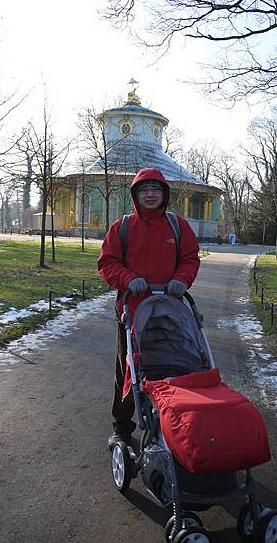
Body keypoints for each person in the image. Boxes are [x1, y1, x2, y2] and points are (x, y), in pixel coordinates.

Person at [98, 168, 201, 447]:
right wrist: (129, 280)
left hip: (170, 312)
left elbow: (191, 259)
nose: (151, 194)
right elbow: (107, 264)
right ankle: (122, 426)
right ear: (136, 195)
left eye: (156, 189)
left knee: (174, 366)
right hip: (131, 312)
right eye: (144, 190)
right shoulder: (123, 227)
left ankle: (174, 420)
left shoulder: (177, 226)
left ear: (164, 193)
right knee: (128, 371)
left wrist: (181, 279)